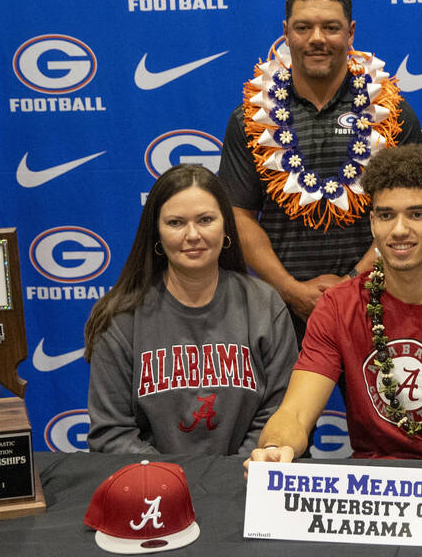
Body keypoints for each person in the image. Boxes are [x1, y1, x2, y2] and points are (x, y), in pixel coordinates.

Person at [245, 145, 422, 467]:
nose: (399, 230)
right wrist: (275, 448)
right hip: (374, 492)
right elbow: (294, 412)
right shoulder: (339, 308)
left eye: (417, 214)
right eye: (386, 215)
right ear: (372, 224)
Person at [220, 0, 422, 337]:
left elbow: (413, 215)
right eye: (303, 27)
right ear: (286, 32)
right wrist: (290, 289)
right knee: (286, 399)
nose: (317, 39)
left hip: (378, 303)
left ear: (351, 33)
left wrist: (351, 283)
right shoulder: (252, 118)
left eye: (331, 27)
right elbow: (238, 215)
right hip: (281, 309)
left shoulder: (391, 114)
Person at [85, 164, 298, 455]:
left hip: (243, 485)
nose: (193, 234)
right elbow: (111, 433)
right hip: (154, 492)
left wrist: (231, 477)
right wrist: (174, 484)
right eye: (176, 223)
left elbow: (280, 415)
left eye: (205, 219)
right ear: (156, 233)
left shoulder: (264, 305)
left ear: (226, 227)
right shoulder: (120, 317)